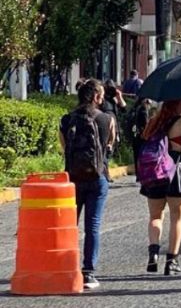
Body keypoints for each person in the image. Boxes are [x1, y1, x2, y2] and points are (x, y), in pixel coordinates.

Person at [140, 99, 181, 276]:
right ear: (177, 105)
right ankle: (171, 261)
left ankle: (153, 254)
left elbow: (144, 140)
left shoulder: (154, 121)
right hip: (176, 170)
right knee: (176, 218)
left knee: (155, 216)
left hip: (155, 173)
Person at [59, 80, 113, 290]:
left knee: (70, 225)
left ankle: (65, 267)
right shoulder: (106, 119)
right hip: (97, 177)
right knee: (93, 226)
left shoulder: (67, 119)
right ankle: (88, 272)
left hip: (72, 179)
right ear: (96, 97)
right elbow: (110, 145)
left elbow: (64, 149)